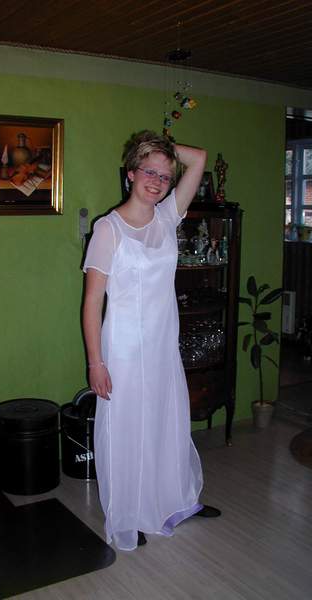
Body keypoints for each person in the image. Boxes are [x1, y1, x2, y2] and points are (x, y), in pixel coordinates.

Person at [82, 130, 220, 552]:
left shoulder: (167, 216)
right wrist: (96, 362)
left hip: (162, 344)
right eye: (148, 171)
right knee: (127, 429)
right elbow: (92, 302)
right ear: (130, 173)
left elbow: (200, 158)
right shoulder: (108, 229)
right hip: (123, 348)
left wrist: (159, 149)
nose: (157, 181)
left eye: (164, 175)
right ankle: (129, 513)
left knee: (166, 421)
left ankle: (175, 501)